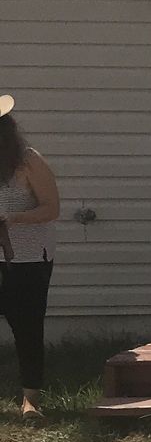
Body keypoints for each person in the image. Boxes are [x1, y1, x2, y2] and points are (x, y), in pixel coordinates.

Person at [0, 95, 59, 417]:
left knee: (27, 326)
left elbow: (52, 208)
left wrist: (13, 218)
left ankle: (30, 398)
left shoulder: (28, 161)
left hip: (28, 258)